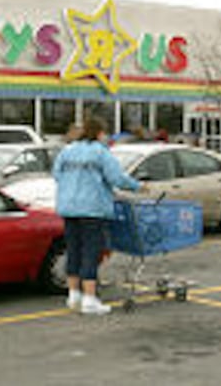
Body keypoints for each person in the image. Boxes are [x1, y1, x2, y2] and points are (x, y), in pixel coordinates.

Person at [52, 116, 143, 315]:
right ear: (99, 133)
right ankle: (90, 299)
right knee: (91, 253)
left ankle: (73, 295)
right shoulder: (101, 153)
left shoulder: (67, 151)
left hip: (69, 208)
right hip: (92, 209)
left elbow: (57, 175)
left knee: (74, 250)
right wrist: (138, 186)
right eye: (105, 133)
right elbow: (117, 178)